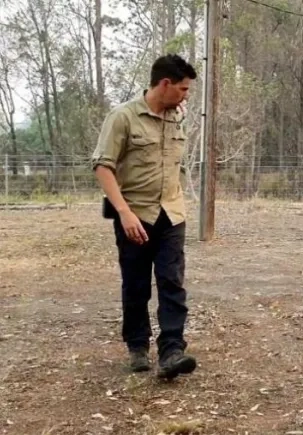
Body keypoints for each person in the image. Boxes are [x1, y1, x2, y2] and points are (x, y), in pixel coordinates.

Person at [91, 54, 198, 380]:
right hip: (135, 216)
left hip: (171, 213)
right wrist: (124, 213)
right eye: (182, 89)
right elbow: (102, 165)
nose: (186, 96)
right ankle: (137, 346)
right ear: (164, 84)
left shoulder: (175, 117)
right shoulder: (122, 117)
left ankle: (172, 350)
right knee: (136, 284)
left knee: (171, 281)